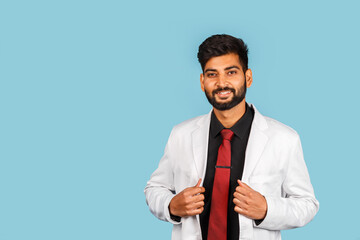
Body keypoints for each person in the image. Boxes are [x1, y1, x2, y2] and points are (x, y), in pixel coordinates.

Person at [144, 34, 319, 240]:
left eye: (231, 72)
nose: (221, 83)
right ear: (202, 81)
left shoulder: (284, 139)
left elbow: (307, 204)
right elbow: (155, 188)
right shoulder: (180, 134)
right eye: (212, 74)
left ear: (248, 77)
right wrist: (171, 206)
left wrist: (266, 209)